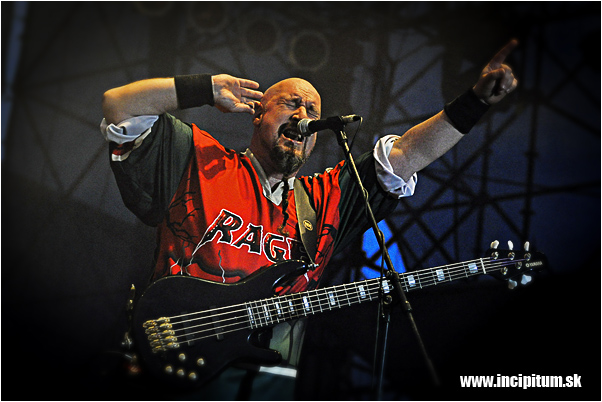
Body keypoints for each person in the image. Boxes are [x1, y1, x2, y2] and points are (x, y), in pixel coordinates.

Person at [100, 40, 518, 399]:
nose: (304, 113)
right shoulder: (201, 159)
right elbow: (119, 106)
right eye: (291, 103)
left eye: (313, 109)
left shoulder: (326, 198)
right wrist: (205, 88)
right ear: (258, 113)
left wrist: (475, 102)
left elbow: (408, 154)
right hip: (172, 359)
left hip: (266, 381)